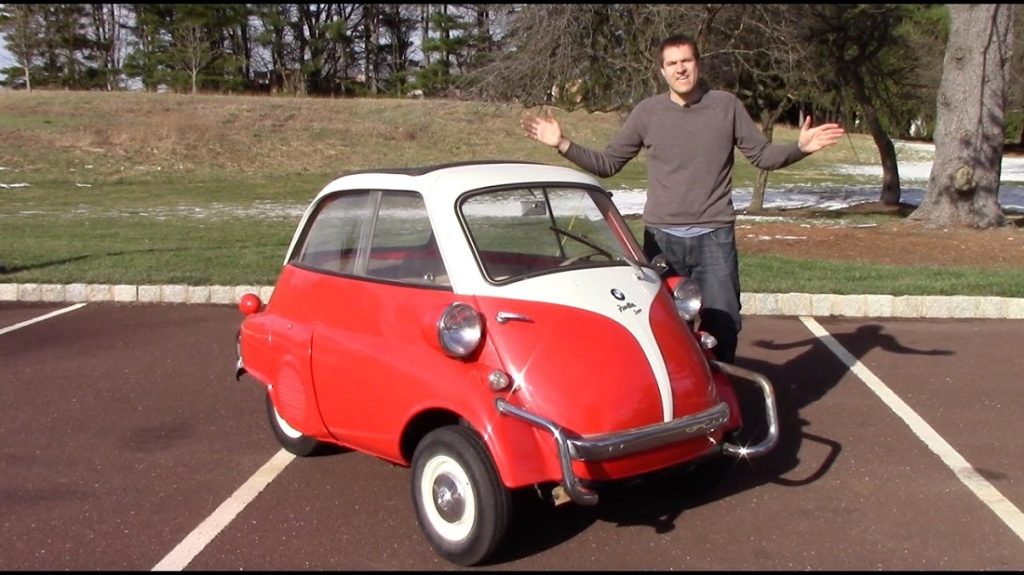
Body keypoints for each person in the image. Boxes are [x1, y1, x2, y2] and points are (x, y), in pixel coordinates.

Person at [522, 33, 845, 364]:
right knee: (665, 328)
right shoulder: (647, 113)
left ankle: (722, 388)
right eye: (672, 63)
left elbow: (762, 156)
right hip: (662, 240)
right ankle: (681, 389)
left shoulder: (726, 106)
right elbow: (608, 164)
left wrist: (800, 147)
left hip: (714, 237)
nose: (680, 69)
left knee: (724, 325)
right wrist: (562, 143)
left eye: (686, 61)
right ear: (662, 71)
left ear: (698, 64)